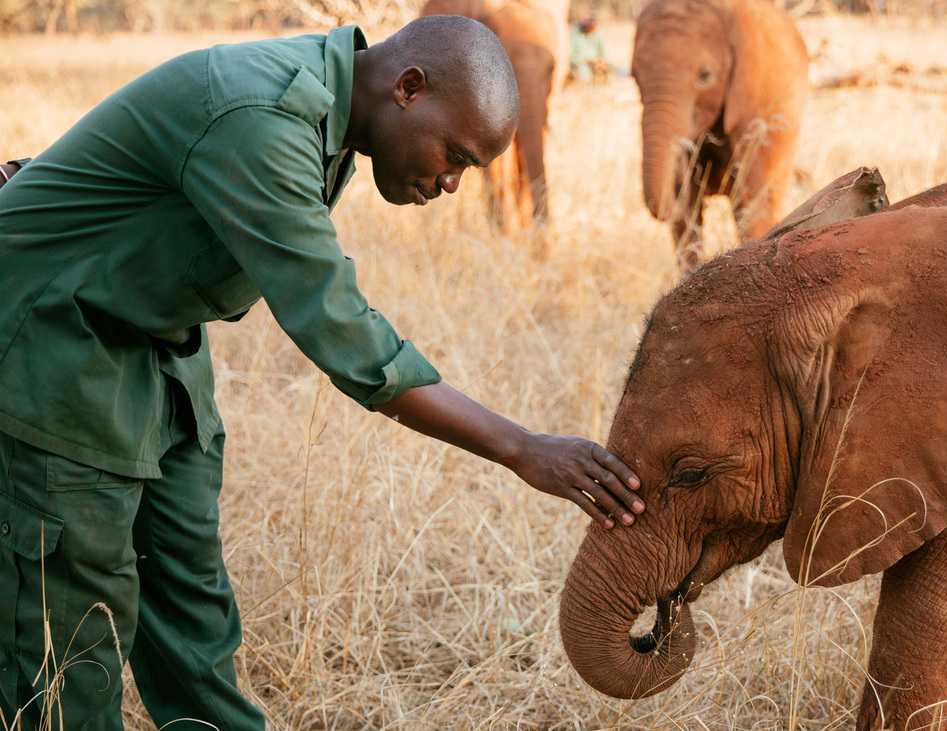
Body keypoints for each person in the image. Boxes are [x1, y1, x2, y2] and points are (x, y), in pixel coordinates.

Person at [0, 16, 642, 731]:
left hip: (157, 344)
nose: (453, 183)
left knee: (194, 618)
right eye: (454, 153)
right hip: (51, 340)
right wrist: (522, 447)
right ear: (408, 87)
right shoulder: (264, 116)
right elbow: (348, 338)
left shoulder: (330, 115)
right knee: (69, 645)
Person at [568, 16, 611, 84]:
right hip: (580, 64)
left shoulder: (597, 34)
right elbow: (570, 56)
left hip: (596, 62)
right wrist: (588, 61)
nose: (590, 30)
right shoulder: (574, 33)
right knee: (583, 72)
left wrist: (602, 61)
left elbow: (603, 52)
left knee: (617, 71)